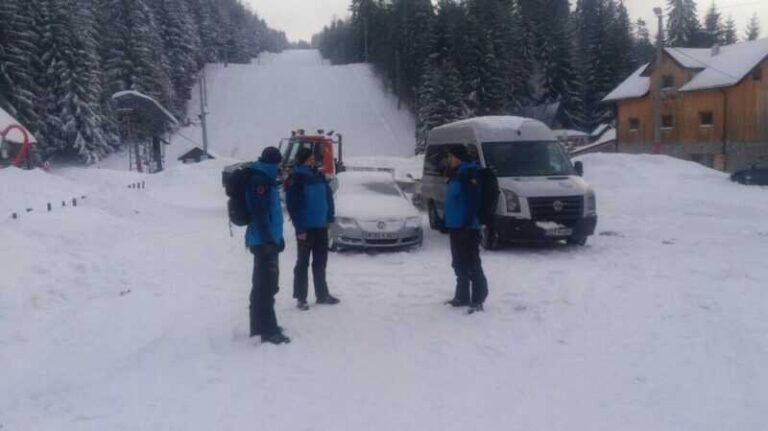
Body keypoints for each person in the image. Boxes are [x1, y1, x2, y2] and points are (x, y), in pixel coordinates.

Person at [285, 147, 340, 310]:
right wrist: (300, 229)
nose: (312, 161)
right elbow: (293, 206)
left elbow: (328, 198)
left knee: (320, 262)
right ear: (302, 160)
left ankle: (322, 294)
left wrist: (329, 217)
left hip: (321, 226)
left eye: (312, 158)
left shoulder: (319, 175)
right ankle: (301, 298)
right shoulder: (296, 178)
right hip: (305, 228)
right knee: (302, 263)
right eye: (308, 158)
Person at [245, 147, 290, 344]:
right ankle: (269, 330)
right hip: (264, 242)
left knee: (261, 285)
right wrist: (270, 241)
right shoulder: (260, 181)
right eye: (278, 164)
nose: (280, 167)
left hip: (265, 240)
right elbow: (260, 214)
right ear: (273, 163)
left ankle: (257, 326)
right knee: (267, 286)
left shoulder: (264, 177)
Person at [444, 146, 488, 312]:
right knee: (458, 263)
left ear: (459, 158)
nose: (449, 160)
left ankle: (478, 299)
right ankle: (461, 296)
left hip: (467, 227)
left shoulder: (469, 173)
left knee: (472, 264)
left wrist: (467, 223)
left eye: (451, 156)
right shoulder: (457, 173)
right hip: (456, 226)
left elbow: (472, 202)